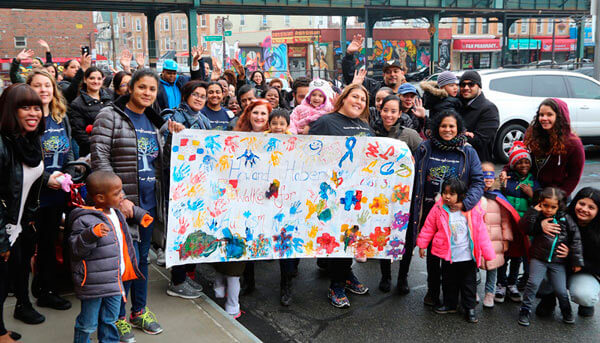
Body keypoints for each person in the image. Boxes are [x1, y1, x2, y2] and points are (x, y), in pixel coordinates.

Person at [91, 69, 170, 341]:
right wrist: (119, 198)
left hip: (148, 204)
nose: (147, 93)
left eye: (151, 89)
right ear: (130, 88)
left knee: (142, 262)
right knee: (122, 263)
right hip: (123, 205)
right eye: (142, 87)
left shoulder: (154, 120)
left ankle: (140, 311)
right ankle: (119, 318)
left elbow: (161, 162)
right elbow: (99, 158)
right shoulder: (110, 115)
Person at [405, 110, 484, 306]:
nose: (447, 130)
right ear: (436, 128)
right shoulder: (425, 148)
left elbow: (478, 182)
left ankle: (453, 292)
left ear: (458, 129)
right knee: (432, 255)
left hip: (456, 214)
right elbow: (409, 175)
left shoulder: (468, 151)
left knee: (455, 254)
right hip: (429, 213)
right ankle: (432, 291)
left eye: (451, 126)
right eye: (443, 126)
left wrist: (465, 204)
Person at [309, 84, 372, 308]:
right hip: (331, 193)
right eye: (355, 96)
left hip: (356, 193)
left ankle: (346, 274)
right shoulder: (326, 122)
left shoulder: (364, 124)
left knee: (351, 236)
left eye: (363, 99)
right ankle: (336, 285)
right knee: (336, 237)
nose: (359, 102)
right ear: (343, 98)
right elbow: (310, 153)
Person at [68, 171, 145, 343]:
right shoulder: (84, 219)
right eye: (117, 193)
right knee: (87, 323)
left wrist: (142, 216)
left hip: (114, 280)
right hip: (94, 284)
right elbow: (76, 248)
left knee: (110, 320)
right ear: (101, 198)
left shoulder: (116, 213)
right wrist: (91, 234)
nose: (122, 195)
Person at [0, 83, 46, 342]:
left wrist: (28, 220)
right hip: (3, 228)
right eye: (24, 107)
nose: (33, 113)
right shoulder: (2, 144)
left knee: (12, 277)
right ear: (10, 110)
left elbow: (29, 181)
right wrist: (2, 239)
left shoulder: (29, 140)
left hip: (18, 227)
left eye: (36, 107)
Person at [26, 70, 74, 311]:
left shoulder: (59, 116)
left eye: (48, 85)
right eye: (38, 86)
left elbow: (69, 150)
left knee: (49, 242)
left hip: (58, 192)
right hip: (33, 194)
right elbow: (24, 159)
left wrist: (69, 174)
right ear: (28, 89)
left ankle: (47, 289)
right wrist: (47, 179)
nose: (44, 90)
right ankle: (34, 291)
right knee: (28, 245)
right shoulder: (26, 119)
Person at [417, 178, 495, 323]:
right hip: (448, 255)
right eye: (444, 193)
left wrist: (488, 253)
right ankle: (450, 304)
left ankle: (470, 308)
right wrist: (422, 244)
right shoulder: (439, 208)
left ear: (461, 195)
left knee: (469, 284)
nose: (447, 196)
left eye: (451, 193)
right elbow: (429, 227)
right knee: (448, 282)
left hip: (467, 257)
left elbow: (481, 232)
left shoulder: (472, 209)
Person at [374, 94, 422, 292]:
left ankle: (403, 277)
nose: (389, 115)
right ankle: (385, 276)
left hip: (406, 197)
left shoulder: (409, 135)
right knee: (382, 234)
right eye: (386, 110)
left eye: (393, 111)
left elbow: (422, 161)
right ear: (380, 110)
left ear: (400, 113)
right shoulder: (372, 134)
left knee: (407, 238)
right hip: (379, 196)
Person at [518, 187, 584, 327]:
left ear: (559, 206)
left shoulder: (566, 219)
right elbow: (524, 227)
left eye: (552, 207)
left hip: (557, 261)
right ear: (540, 203)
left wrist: (576, 259)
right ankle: (525, 310)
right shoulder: (537, 216)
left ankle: (567, 311)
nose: (548, 209)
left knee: (560, 290)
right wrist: (534, 211)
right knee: (533, 284)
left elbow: (576, 239)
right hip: (538, 258)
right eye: (545, 205)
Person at [501, 98, 584, 198]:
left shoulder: (573, 144)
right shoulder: (532, 134)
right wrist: (505, 170)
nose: (544, 118)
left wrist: (558, 198)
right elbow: (521, 156)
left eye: (549, 114)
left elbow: (573, 177)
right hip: (530, 188)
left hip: (554, 196)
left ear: (560, 117)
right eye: (541, 115)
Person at [536, 187, 600, 318]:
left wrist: (574, 257)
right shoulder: (560, 217)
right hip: (555, 266)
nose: (584, 209)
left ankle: (586, 303)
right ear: (575, 202)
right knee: (535, 271)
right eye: (581, 203)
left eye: (591, 207)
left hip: (583, 270)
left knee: (584, 295)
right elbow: (529, 229)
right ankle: (549, 299)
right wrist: (540, 224)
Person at [496, 141, 540, 299]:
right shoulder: (508, 179)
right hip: (508, 226)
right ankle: (501, 284)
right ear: (513, 165)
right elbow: (497, 196)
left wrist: (531, 194)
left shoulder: (533, 183)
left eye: (526, 162)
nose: (523, 165)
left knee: (517, 256)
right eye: (519, 162)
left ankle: (512, 283)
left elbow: (539, 204)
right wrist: (501, 185)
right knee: (504, 255)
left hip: (523, 227)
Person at [479, 162, 518, 308]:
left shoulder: (498, 196)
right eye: (483, 175)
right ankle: (472, 290)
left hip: (494, 239)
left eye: (490, 175)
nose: (487, 179)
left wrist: (506, 239)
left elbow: (506, 220)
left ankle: (490, 293)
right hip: (477, 237)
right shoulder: (474, 194)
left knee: (492, 266)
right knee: (473, 264)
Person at [342, 34, 405, 103]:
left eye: (395, 71)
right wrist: (349, 55)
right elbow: (351, 76)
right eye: (388, 72)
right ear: (383, 75)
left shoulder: (408, 92)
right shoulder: (374, 88)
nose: (392, 74)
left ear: (402, 73)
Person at [69, 66, 113, 157]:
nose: (96, 81)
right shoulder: (77, 104)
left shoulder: (110, 97)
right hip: (91, 152)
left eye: (99, 78)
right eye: (92, 78)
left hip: (113, 150)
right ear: (85, 80)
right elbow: (79, 133)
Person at [458, 71, 499, 162]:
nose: (466, 88)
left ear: (479, 86)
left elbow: (480, 141)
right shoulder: (457, 104)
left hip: (477, 164)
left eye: (471, 84)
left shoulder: (489, 109)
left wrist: (456, 134)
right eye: (462, 84)